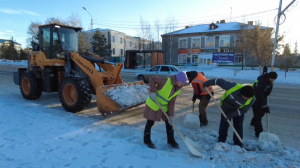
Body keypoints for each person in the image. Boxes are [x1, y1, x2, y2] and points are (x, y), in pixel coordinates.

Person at [202, 78, 255, 147]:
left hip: (238, 112)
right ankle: (221, 141)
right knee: (223, 126)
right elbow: (219, 81)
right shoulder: (233, 87)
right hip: (226, 108)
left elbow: (243, 111)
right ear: (242, 94)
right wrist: (207, 83)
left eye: (250, 97)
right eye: (247, 97)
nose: (249, 99)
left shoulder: (251, 100)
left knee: (238, 127)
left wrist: (229, 116)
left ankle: (238, 144)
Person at [143, 72, 187, 149]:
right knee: (150, 123)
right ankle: (147, 140)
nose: (183, 84)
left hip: (164, 107)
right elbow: (152, 79)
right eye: (182, 82)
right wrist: (153, 91)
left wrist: (171, 115)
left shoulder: (178, 89)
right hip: (153, 104)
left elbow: (171, 103)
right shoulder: (166, 81)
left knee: (169, 123)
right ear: (177, 80)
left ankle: (171, 140)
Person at [250, 71, 278, 137]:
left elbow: (266, 92)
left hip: (262, 98)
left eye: (274, 79)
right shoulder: (261, 83)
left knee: (260, 113)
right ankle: (258, 132)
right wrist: (265, 106)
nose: (273, 80)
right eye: (272, 79)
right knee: (258, 115)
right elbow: (258, 96)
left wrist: (265, 98)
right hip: (255, 99)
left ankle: (253, 122)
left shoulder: (269, 82)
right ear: (268, 77)